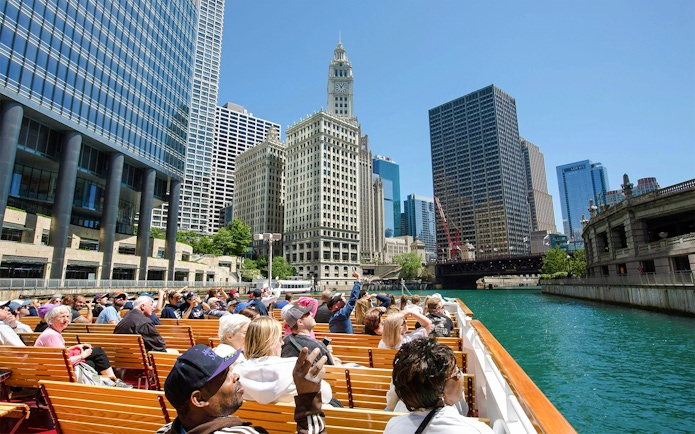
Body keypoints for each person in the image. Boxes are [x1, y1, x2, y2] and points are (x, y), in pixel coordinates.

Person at [158, 344, 327, 434]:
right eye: (225, 375)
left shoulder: (163, 431)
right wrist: (308, 397)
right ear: (199, 399)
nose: (236, 376)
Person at [384, 339, 493, 434]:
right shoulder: (477, 430)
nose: (461, 376)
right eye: (456, 373)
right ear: (439, 391)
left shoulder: (393, 427)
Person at [233, 316, 333, 405]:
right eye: (280, 339)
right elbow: (327, 396)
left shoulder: (236, 373)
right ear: (271, 342)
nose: (282, 343)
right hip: (295, 424)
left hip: (253, 424)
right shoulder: (294, 367)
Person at [35, 305, 131, 387]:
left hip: (51, 368)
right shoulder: (52, 335)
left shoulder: (51, 332)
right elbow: (63, 361)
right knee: (97, 356)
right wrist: (83, 355)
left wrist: (77, 346)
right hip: (57, 371)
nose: (66, 320)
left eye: (68, 317)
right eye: (62, 317)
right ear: (51, 319)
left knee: (96, 355)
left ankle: (113, 382)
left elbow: (59, 354)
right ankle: (114, 382)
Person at [327, 269, 362, 333]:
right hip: (351, 342)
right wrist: (358, 279)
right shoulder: (341, 314)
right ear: (335, 306)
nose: (343, 299)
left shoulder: (334, 317)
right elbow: (353, 299)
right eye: (340, 299)